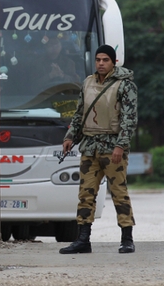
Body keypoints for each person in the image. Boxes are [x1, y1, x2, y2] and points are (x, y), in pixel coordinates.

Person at [59, 44, 138, 254]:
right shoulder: (88, 83)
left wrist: (121, 145)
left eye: (105, 60)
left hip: (113, 147)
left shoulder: (125, 86)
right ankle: (83, 240)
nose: (101, 63)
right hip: (89, 146)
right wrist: (70, 136)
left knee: (119, 193)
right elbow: (79, 114)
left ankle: (127, 238)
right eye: (98, 60)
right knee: (85, 194)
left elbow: (129, 120)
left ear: (114, 62)